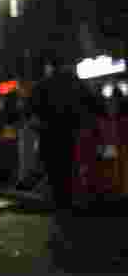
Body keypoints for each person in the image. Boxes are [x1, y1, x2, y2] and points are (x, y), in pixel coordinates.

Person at [28, 50, 104, 217]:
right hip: (70, 132)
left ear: (49, 67)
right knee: (68, 167)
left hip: (48, 133)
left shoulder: (43, 85)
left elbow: (31, 109)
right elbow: (93, 102)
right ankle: (68, 202)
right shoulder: (73, 82)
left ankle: (60, 203)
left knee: (54, 169)